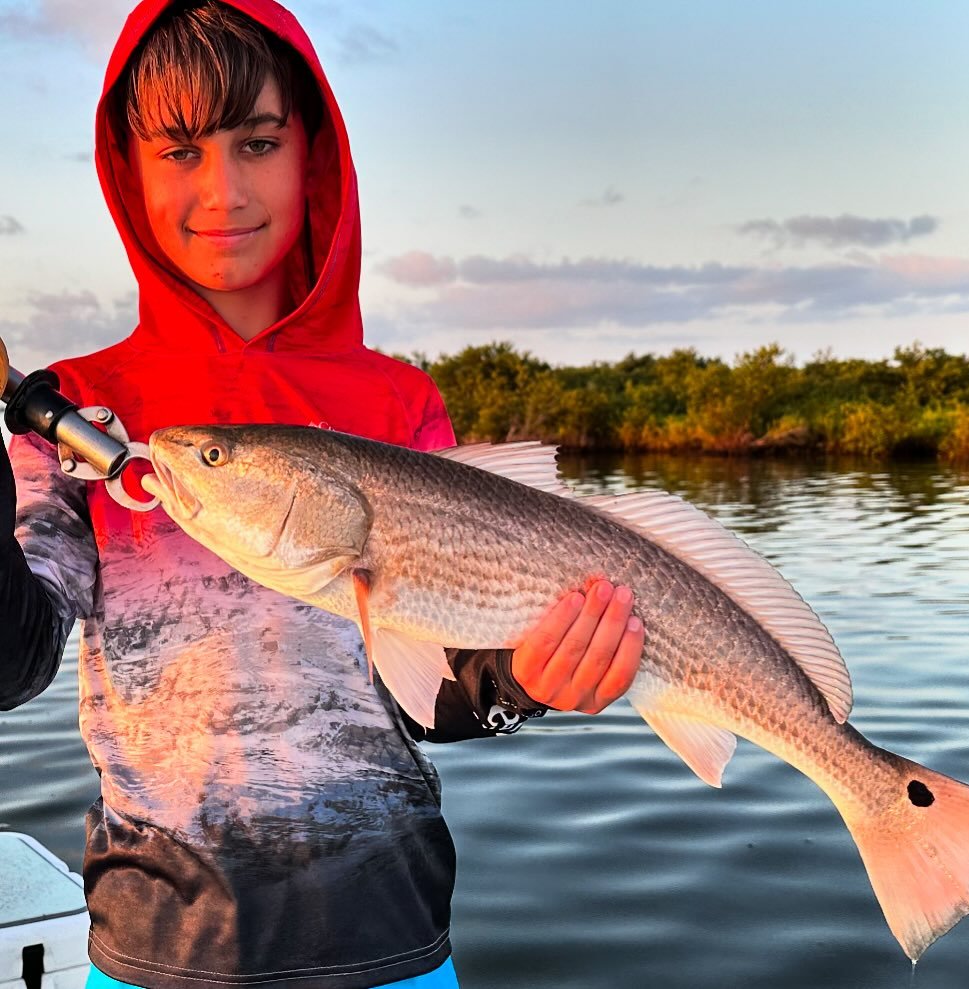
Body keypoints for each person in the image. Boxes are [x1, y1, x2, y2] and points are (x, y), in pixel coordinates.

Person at [0, 2, 644, 987]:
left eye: (257, 142)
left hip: (391, 940)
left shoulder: (397, 399)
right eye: (180, 152)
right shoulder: (78, 406)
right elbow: (13, 661)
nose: (224, 189)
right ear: (125, 168)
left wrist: (527, 686)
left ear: (313, 155)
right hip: (155, 954)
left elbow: (435, 700)